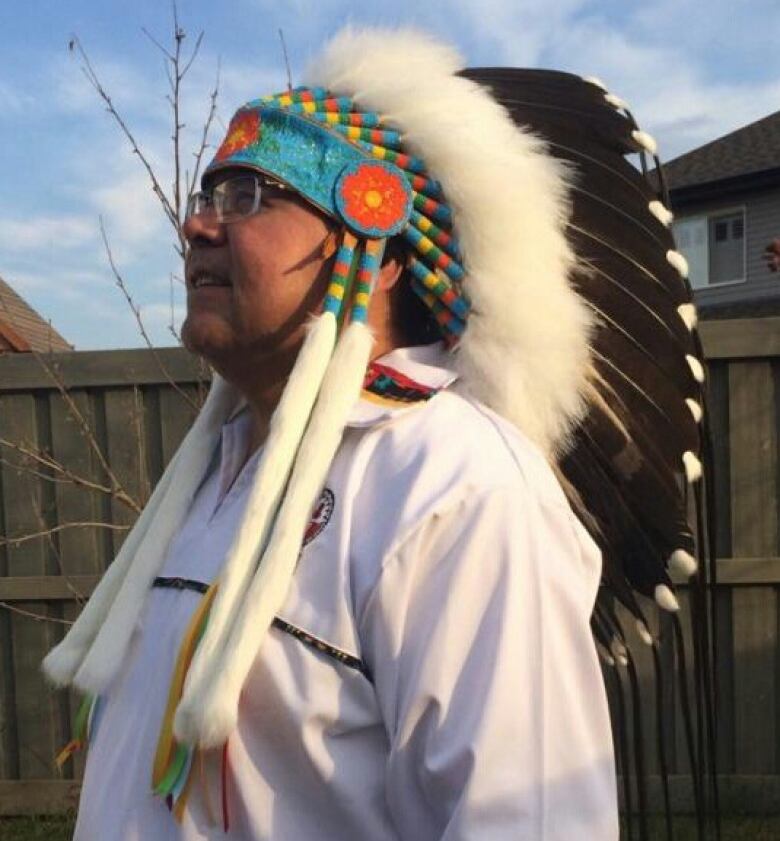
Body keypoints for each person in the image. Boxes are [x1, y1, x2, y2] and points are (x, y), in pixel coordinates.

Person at [44, 25, 713, 841]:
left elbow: (529, 822)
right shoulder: (219, 471)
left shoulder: (455, 486)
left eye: (251, 195)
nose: (201, 227)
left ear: (379, 252)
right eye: (206, 196)